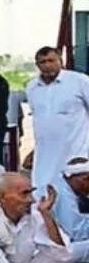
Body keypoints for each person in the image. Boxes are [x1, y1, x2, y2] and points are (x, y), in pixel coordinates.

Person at [24, 46, 89, 201]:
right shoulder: (32, 87)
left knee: (73, 200)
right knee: (43, 195)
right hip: (45, 157)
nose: (47, 65)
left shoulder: (80, 81)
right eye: (42, 62)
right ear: (37, 65)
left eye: (51, 60)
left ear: (61, 61)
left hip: (76, 154)